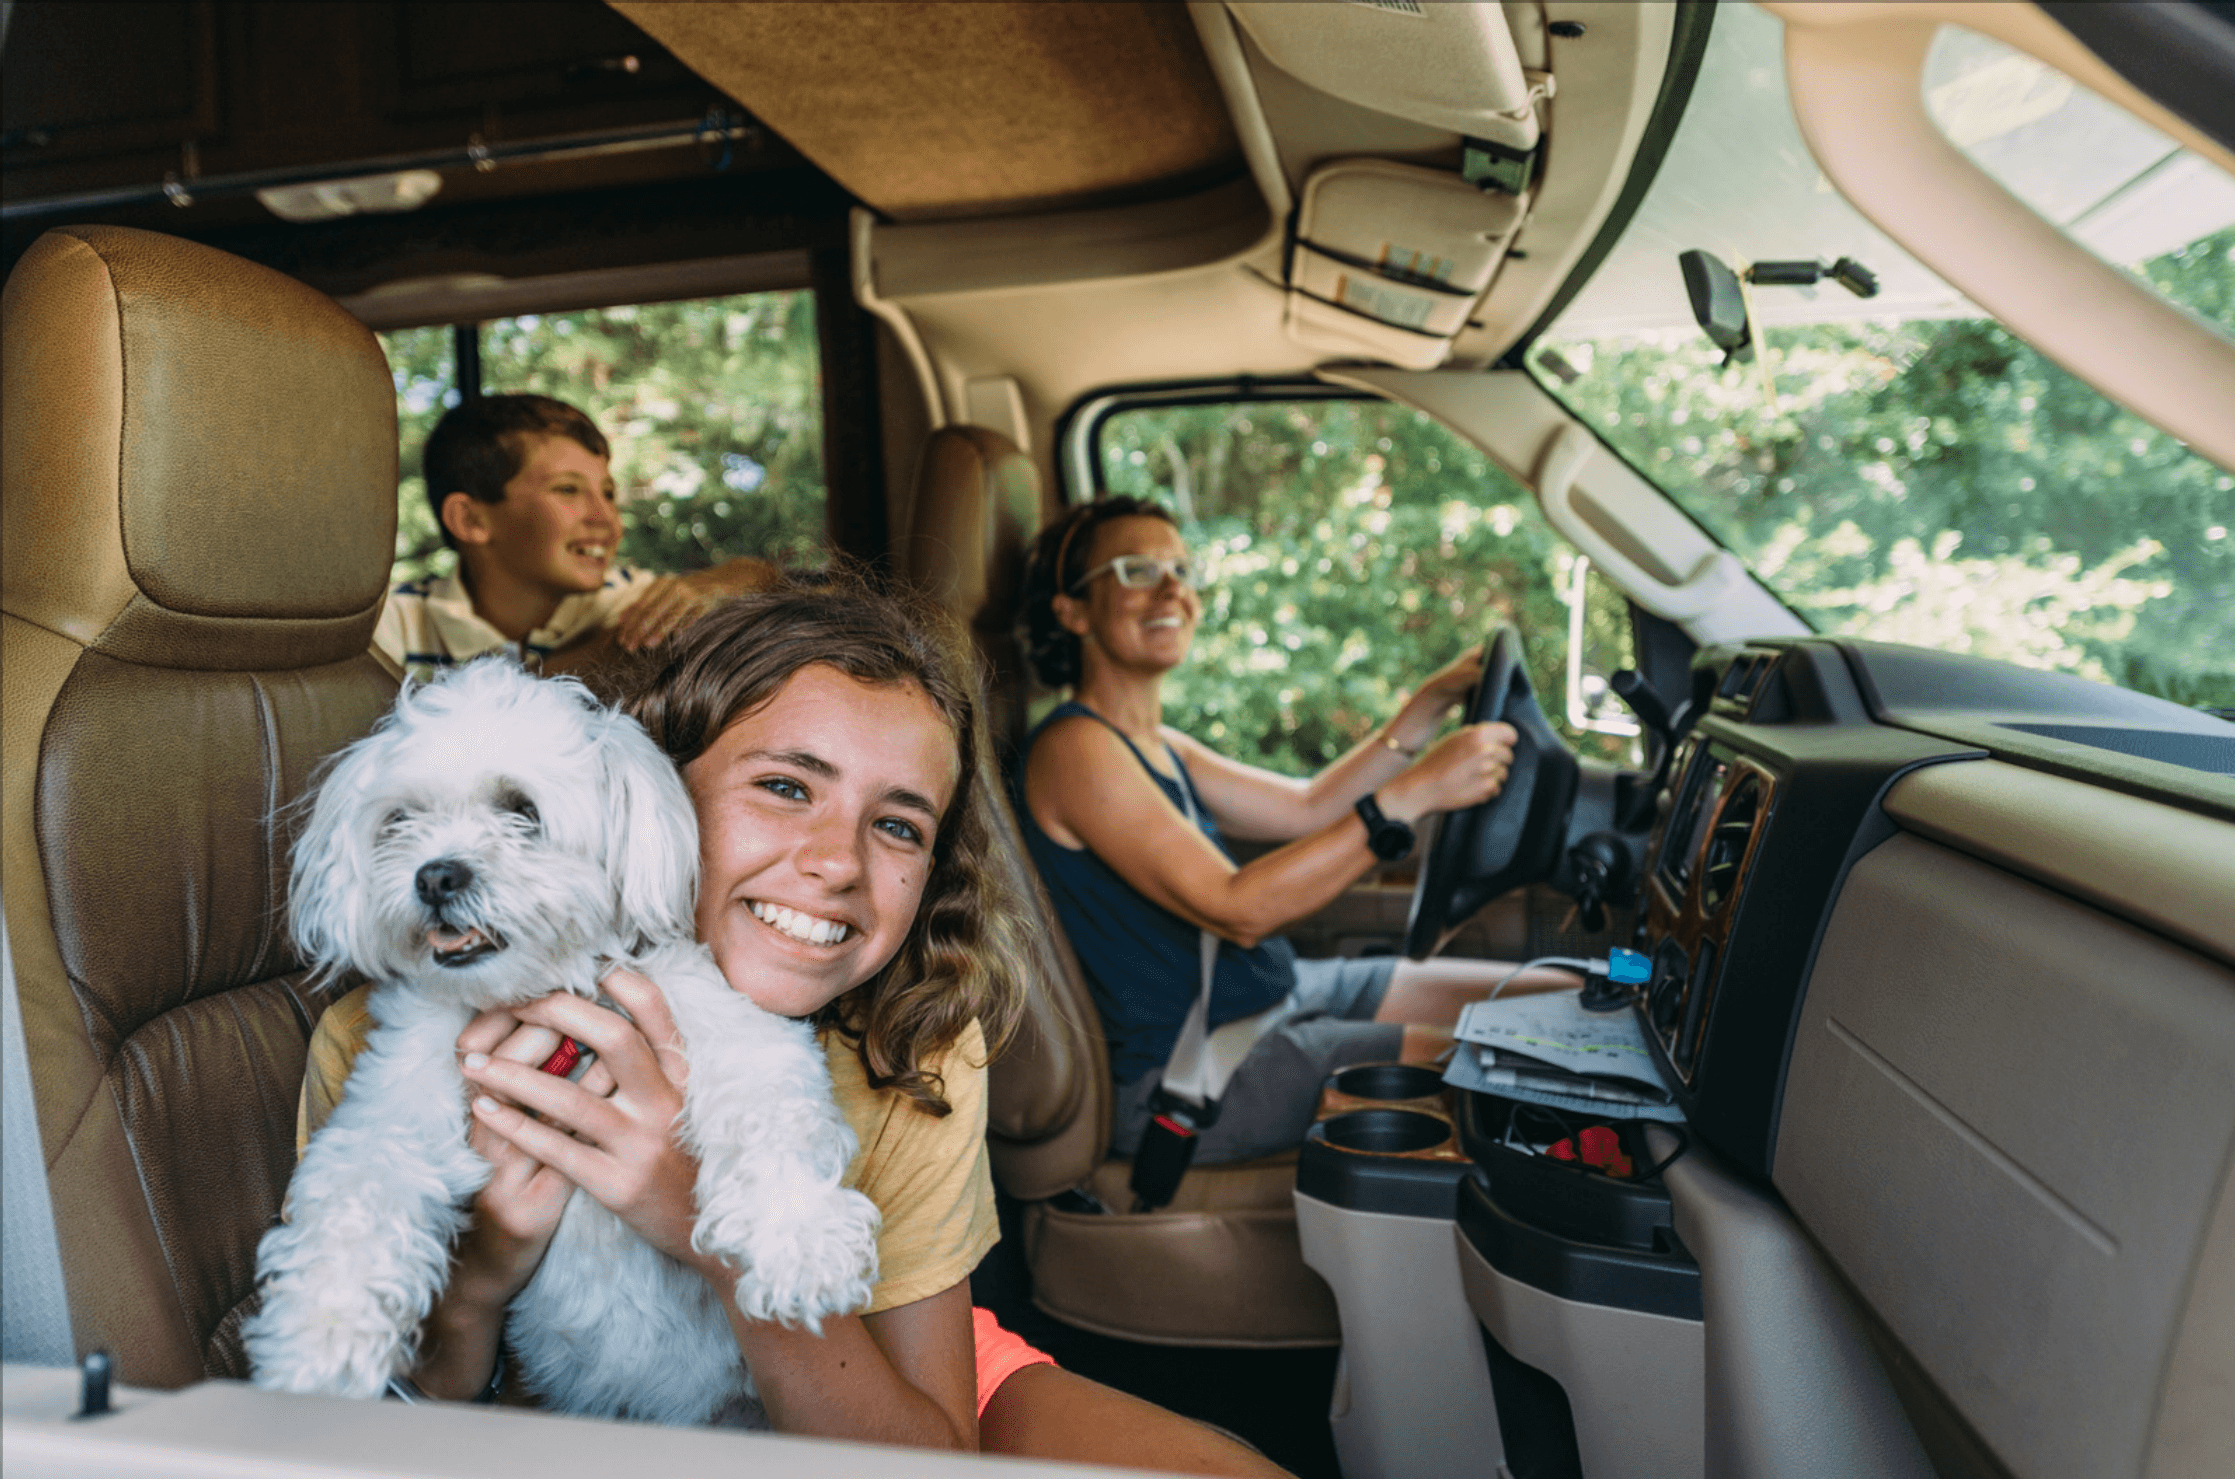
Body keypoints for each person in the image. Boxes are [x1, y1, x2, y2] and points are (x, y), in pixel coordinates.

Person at [299, 575, 1291, 1476]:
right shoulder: (401, 1031)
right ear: (655, 791)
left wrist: (705, 1230)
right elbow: (391, 1424)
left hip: (873, 1355)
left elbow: (923, 1454)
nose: (837, 862)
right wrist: (479, 1278)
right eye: (785, 788)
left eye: (897, 825)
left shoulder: (917, 1036)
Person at [1016, 497, 1578, 1166]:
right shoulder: (1074, 749)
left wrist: (1427, 705)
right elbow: (1239, 908)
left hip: (1271, 995)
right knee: (1512, 1056)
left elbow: (1310, 806)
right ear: (1072, 611)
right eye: (1137, 570)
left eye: (1181, 569)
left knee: (1559, 996)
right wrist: (1417, 792)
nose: (1172, 589)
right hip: (1194, 1067)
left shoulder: (1154, 743)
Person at [372, 393, 777, 686]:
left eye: (608, 494)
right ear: (471, 519)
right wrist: (597, 656)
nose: (607, 519)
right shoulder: (392, 626)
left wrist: (719, 581)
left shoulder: (629, 603)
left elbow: (766, 579)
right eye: (568, 490)